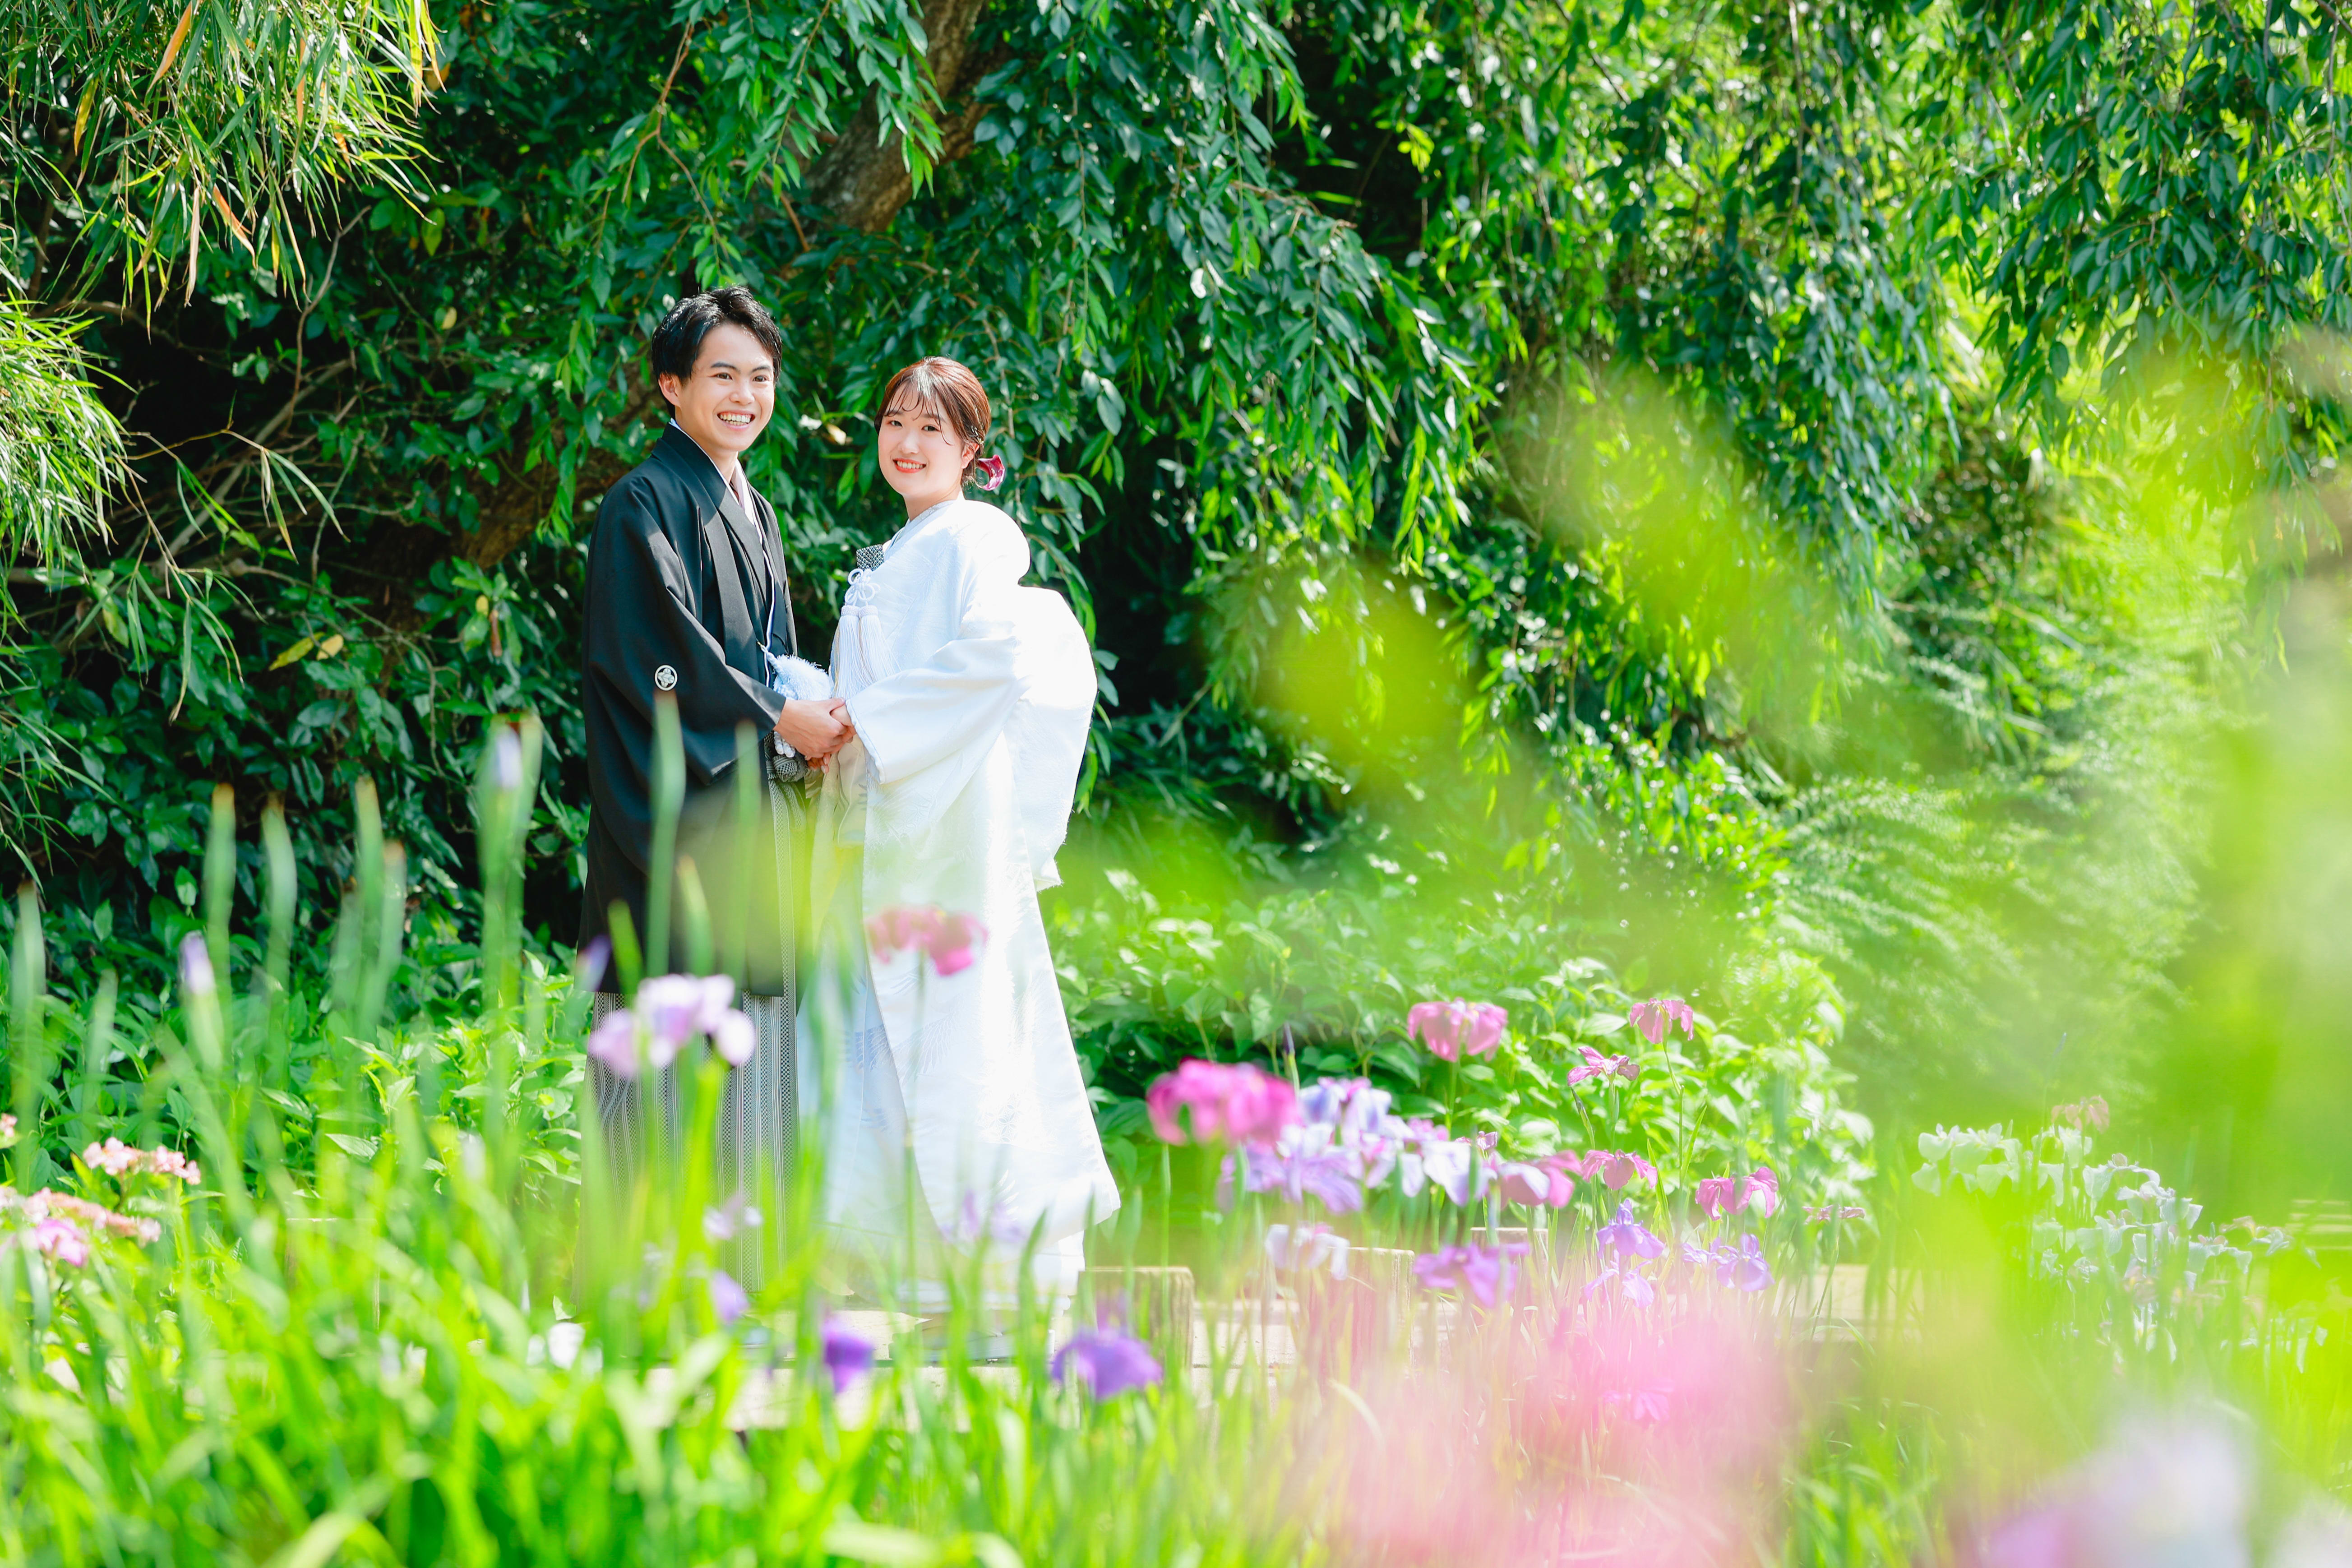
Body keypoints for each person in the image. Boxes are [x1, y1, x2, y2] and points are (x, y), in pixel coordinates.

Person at [806, 356, 1118, 1296]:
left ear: (972, 449)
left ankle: (995, 1276)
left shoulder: (975, 535)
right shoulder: (901, 550)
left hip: (939, 834)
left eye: (931, 429)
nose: (906, 444)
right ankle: (902, 1268)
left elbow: (1002, 653)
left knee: (957, 1048)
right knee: (876, 1053)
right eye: (894, 423)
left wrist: (868, 719)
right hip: (876, 829)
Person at [578, 286, 848, 1281]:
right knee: (669, 1031)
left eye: (760, 378)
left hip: (753, 816)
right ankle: (645, 1284)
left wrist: (805, 717)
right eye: (721, 375)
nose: (744, 396)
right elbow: (657, 660)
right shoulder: (642, 504)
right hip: (676, 825)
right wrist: (779, 716)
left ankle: (745, 1279)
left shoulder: (754, 508)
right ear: (670, 386)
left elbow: (769, 657)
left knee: (758, 1039)